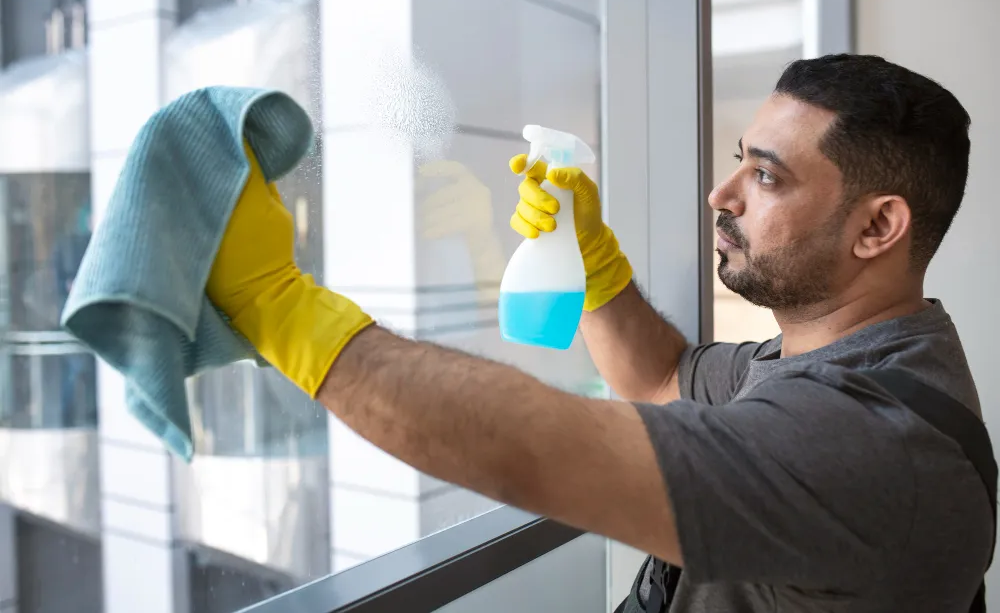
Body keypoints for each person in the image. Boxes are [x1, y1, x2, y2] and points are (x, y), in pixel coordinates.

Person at [205, 54, 990, 612]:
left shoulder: (868, 441)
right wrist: (592, 259)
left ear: (879, 226)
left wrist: (280, 305)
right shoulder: (843, 359)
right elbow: (660, 377)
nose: (722, 193)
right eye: (738, 161)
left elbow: (534, 448)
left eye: (766, 176)